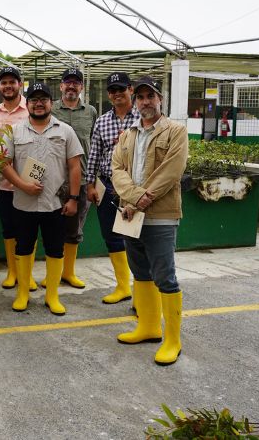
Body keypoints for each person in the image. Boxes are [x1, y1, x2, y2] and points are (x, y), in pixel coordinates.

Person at [111, 76, 188, 366]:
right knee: (140, 272)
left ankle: (173, 340)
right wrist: (133, 199)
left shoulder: (175, 131)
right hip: (130, 215)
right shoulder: (128, 134)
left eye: (150, 96)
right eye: (141, 97)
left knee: (164, 276)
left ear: (160, 99)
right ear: (136, 100)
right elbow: (116, 168)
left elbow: (172, 171)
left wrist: (144, 198)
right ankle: (149, 327)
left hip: (160, 216)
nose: (145, 101)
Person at [1, 83, 83, 314]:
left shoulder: (65, 131)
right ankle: (23, 293)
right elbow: (4, 164)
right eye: (34, 99)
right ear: (27, 104)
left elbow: (75, 166)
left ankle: (52, 296)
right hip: (23, 203)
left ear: (51, 103)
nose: (39, 103)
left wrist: (74, 198)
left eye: (43, 99)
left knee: (55, 249)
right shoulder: (15, 131)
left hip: (55, 204)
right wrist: (22, 185)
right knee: (23, 247)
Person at [85, 72, 140, 304]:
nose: (117, 94)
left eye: (121, 89)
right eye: (113, 90)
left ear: (130, 90)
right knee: (112, 237)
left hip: (134, 187)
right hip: (107, 185)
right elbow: (95, 153)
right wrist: (90, 184)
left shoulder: (142, 117)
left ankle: (141, 290)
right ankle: (122, 286)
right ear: (108, 94)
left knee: (135, 239)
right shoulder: (102, 121)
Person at [0, 66, 38, 292]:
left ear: (20, 84)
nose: (8, 86)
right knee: (9, 228)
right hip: (4, 181)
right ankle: (12, 271)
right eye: (4, 83)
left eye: (12, 82)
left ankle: (26, 273)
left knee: (28, 228)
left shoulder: (31, 108)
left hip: (27, 180)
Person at [50, 68, 98, 290]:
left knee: (75, 228)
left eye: (76, 83)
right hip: (54, 179)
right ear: (61, 86)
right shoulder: (51, 110)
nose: (71, 86)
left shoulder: (90, 112)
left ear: (81, 87)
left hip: (81, 177)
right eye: (67, 82)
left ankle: (68, 273)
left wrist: (94, 179)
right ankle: (53, 272)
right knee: (51, 226)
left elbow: (96, 145)